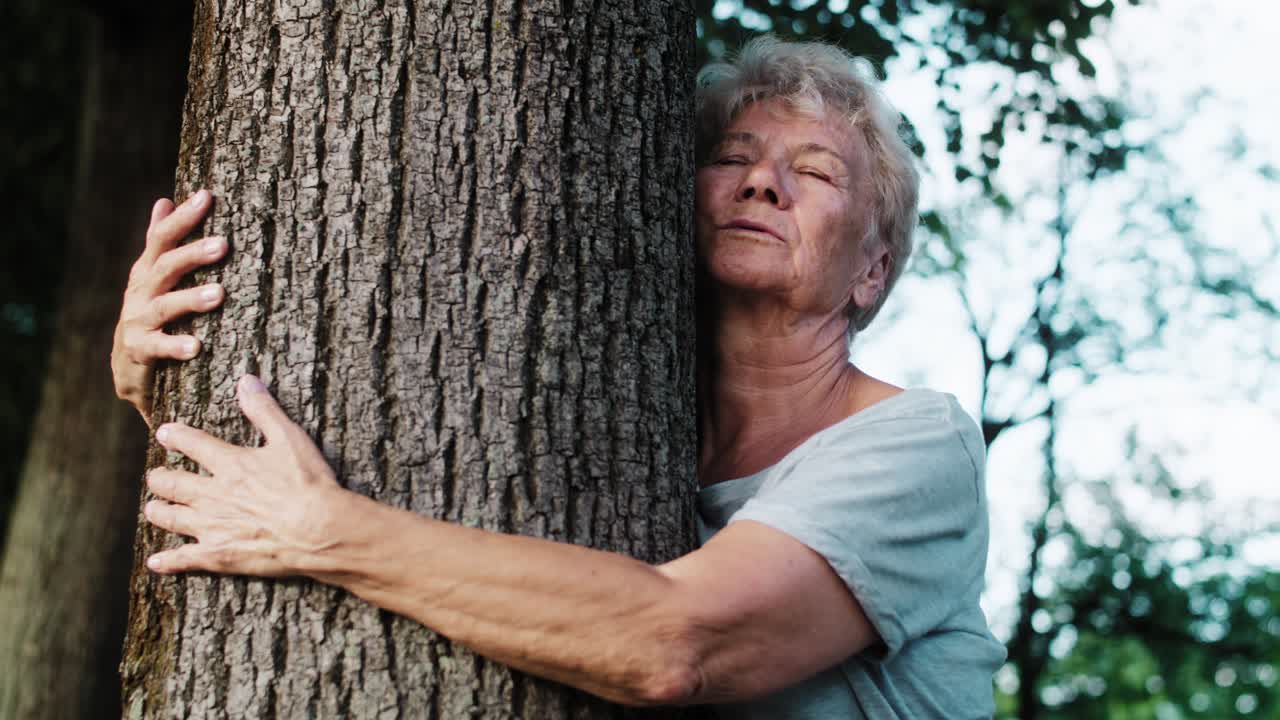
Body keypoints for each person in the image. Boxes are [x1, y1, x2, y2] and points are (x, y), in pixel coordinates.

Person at [111, 36, 1005, 717]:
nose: (762, 183)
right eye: (732, 158)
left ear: (872, 271)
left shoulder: (918, 447)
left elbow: (675, 642)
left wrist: (326, 532)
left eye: (813, 172)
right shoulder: (617, 415)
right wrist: (160, 382)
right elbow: (233, 504)